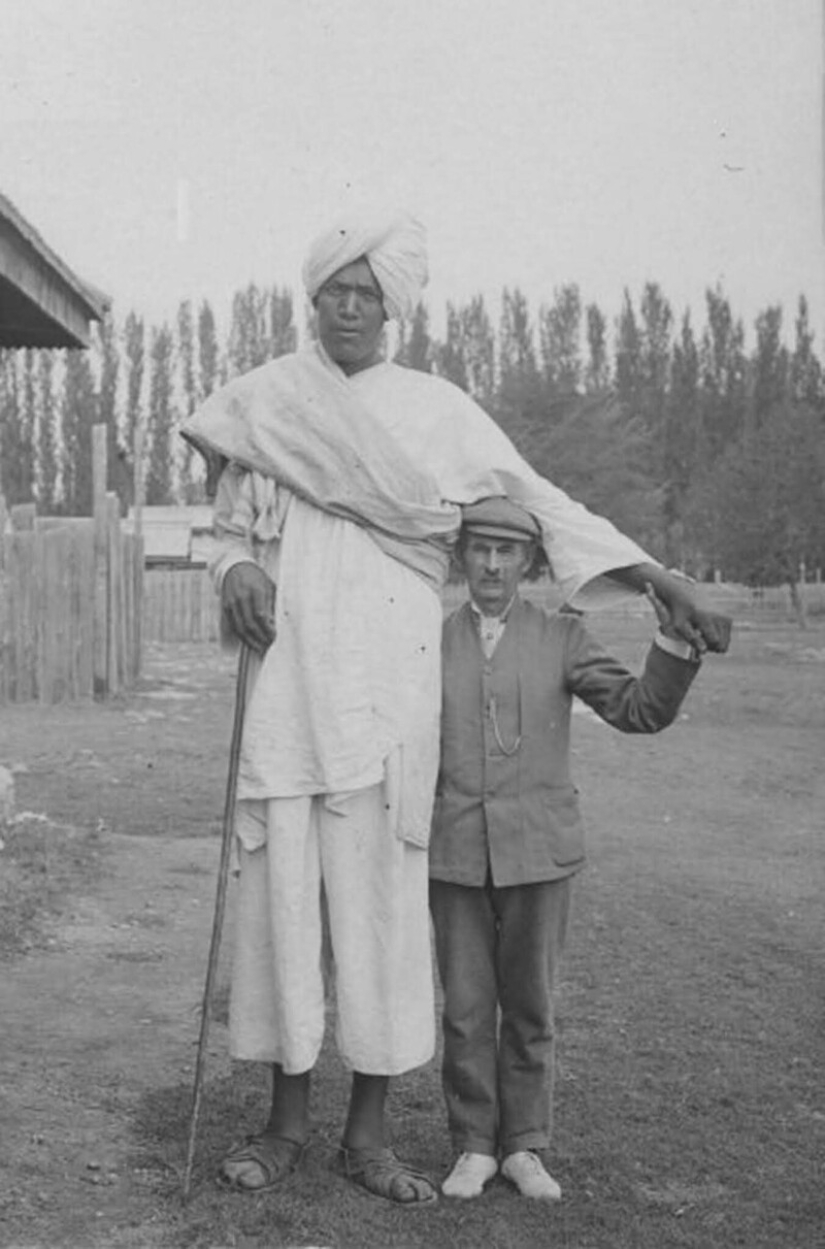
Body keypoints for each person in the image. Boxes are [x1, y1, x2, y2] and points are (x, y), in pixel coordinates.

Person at [181, 207, 730, 1207]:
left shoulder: (439, 413)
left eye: (366, 294)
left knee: (383, 910)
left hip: (392, 695)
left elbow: (543, 500)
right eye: (334, 292)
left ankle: (367, 1134)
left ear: (392, 308)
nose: (350, 309)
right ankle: (282, 1124)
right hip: (289, 685)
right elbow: (223, 531)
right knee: (286, 904)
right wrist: (232, 571)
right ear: (312, 301)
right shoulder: (269, 404)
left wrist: (660, 579)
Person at [430, 496, 703, 1203]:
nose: (492, 564)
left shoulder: (562, 635)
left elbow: (640, 709)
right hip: (453, 852)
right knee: (464, 1008)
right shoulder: (428, 638)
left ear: (529, 562)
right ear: (461, 555)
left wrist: (673, 643)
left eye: (507, 551)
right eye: (480, 548)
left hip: (540, 855)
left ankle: (523, 1147)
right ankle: (472, 1145)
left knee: (530, 1007)